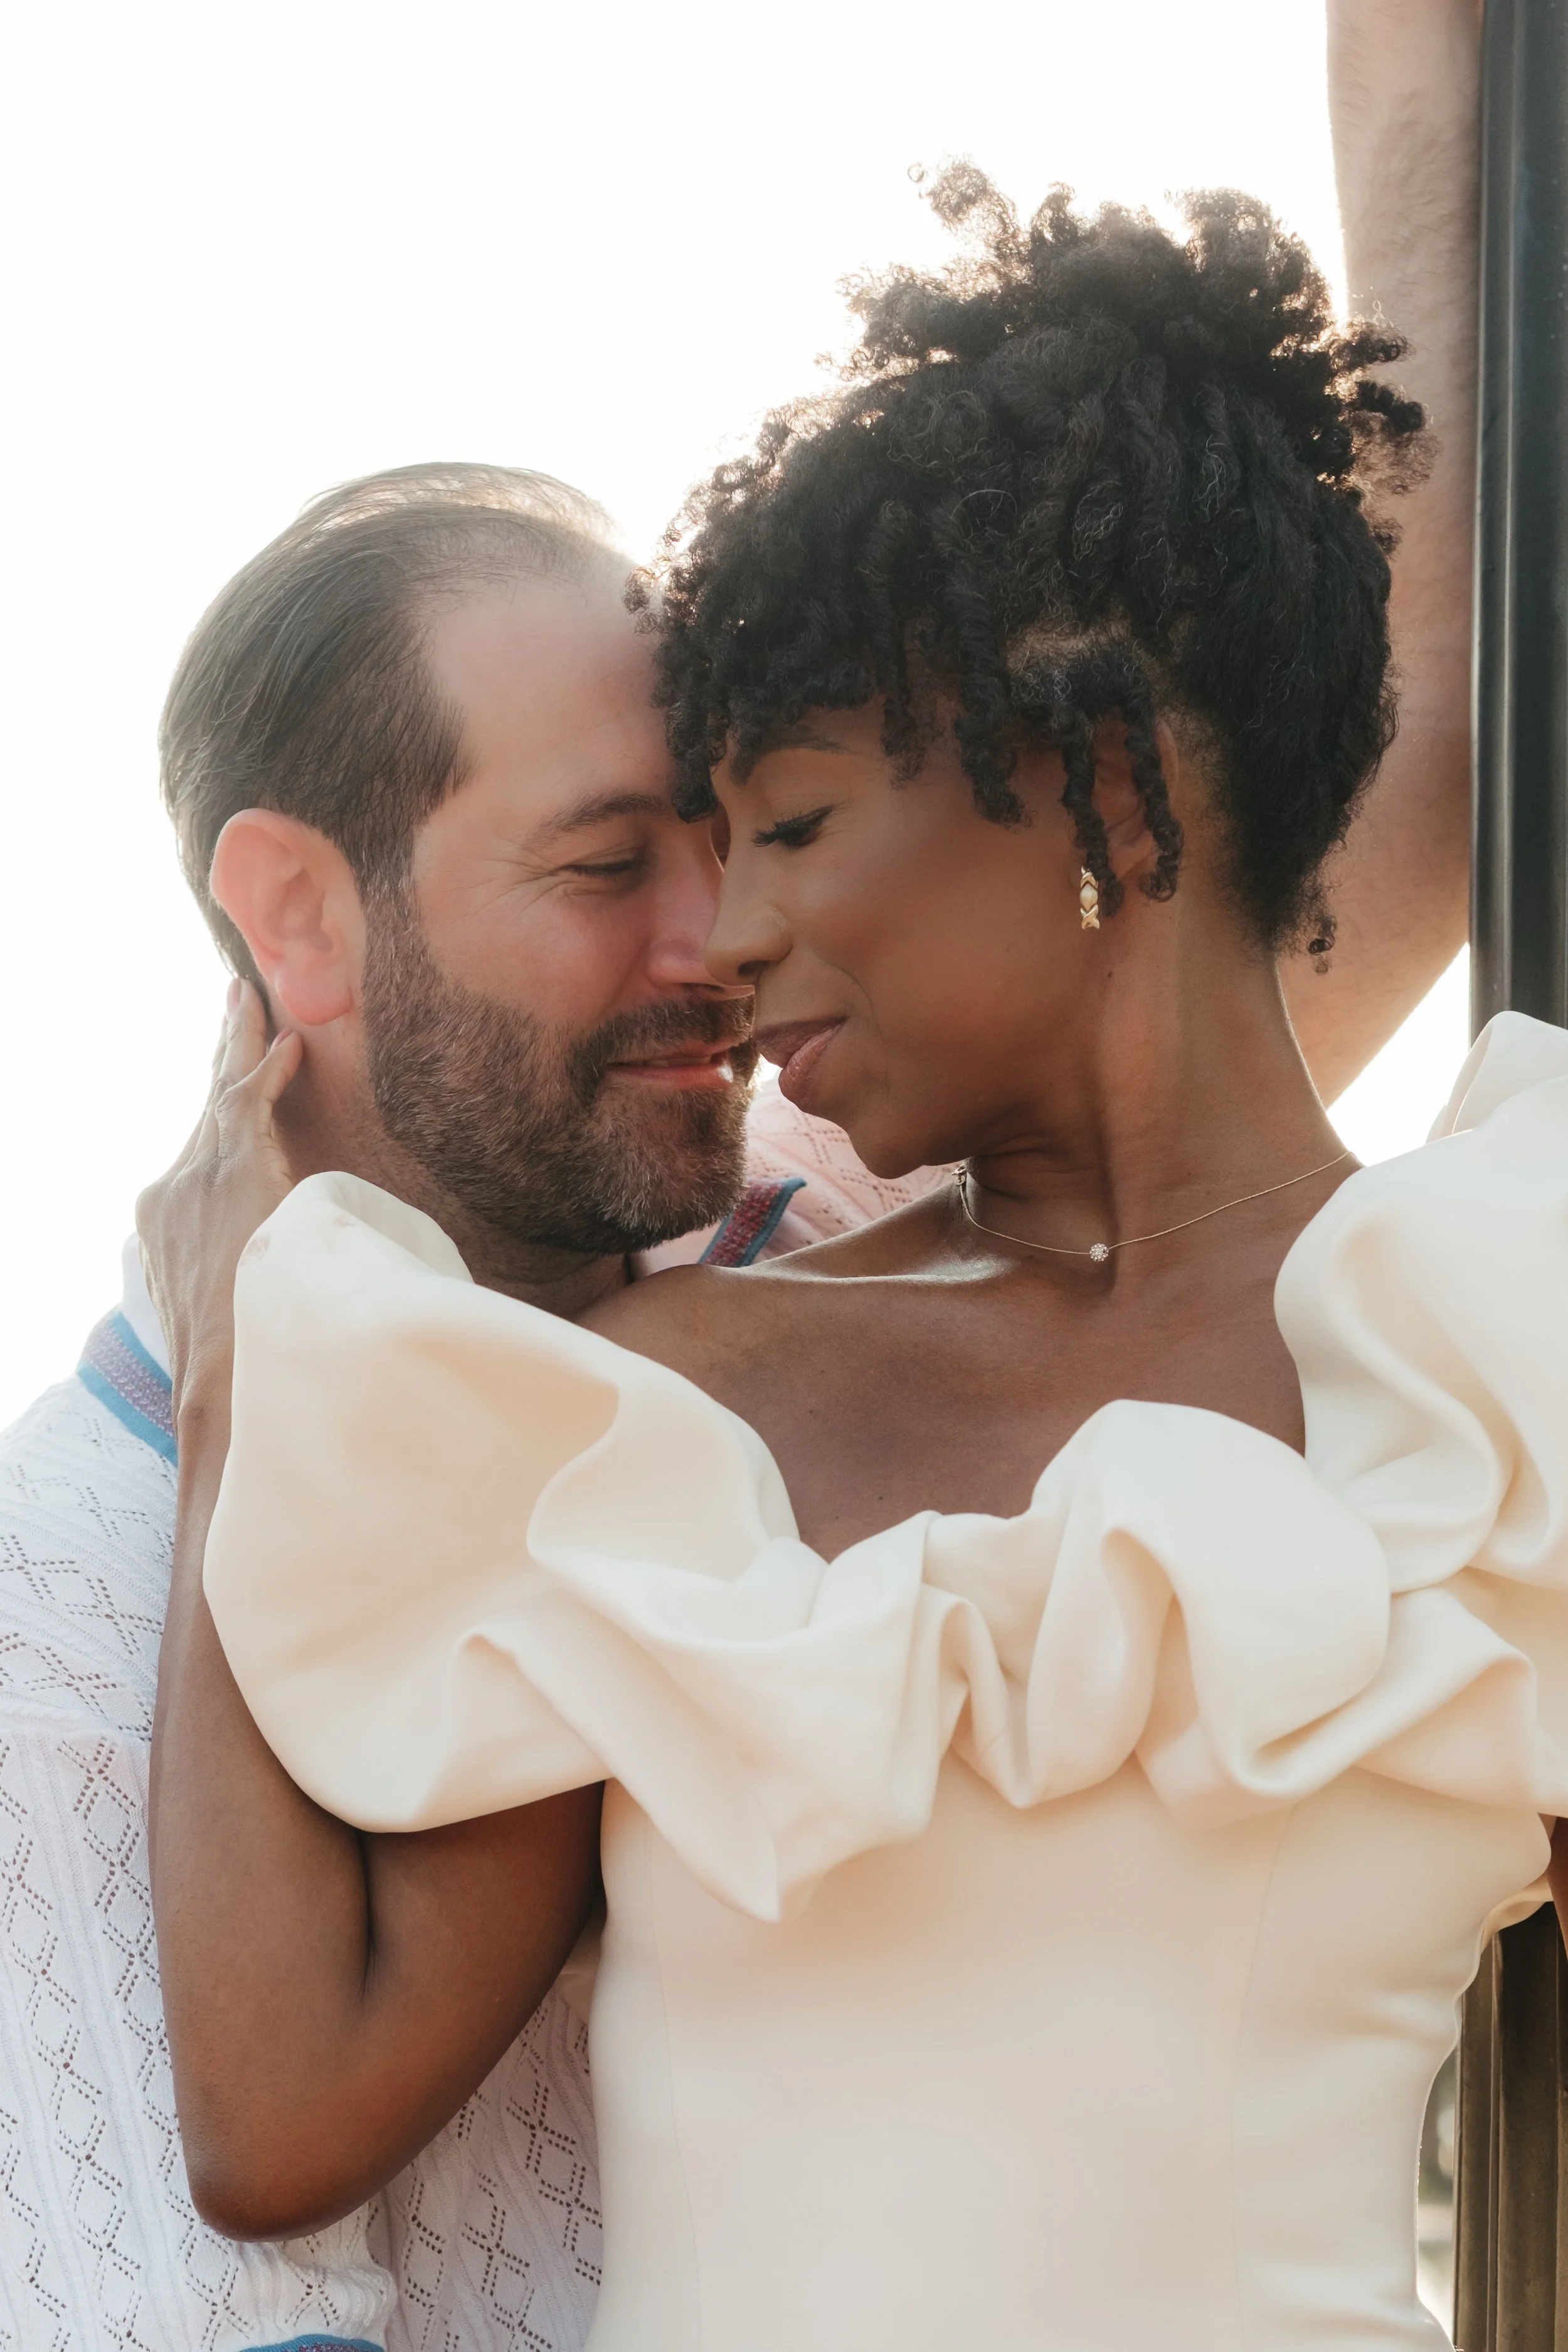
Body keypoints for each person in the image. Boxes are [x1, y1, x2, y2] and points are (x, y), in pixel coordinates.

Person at [141, 137, 1543, 2352]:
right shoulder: (665, 1391)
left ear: (1102, 794)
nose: (734, 935)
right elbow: (283, 2111)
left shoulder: (1508, 1360)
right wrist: (241, 1350)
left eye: (785, 825)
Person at [0, 461, 943, 2352]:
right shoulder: (64, 1621)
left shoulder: (836, 1226)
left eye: (729, 834)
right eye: (607, 865)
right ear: (302, 914)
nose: (725, 939)